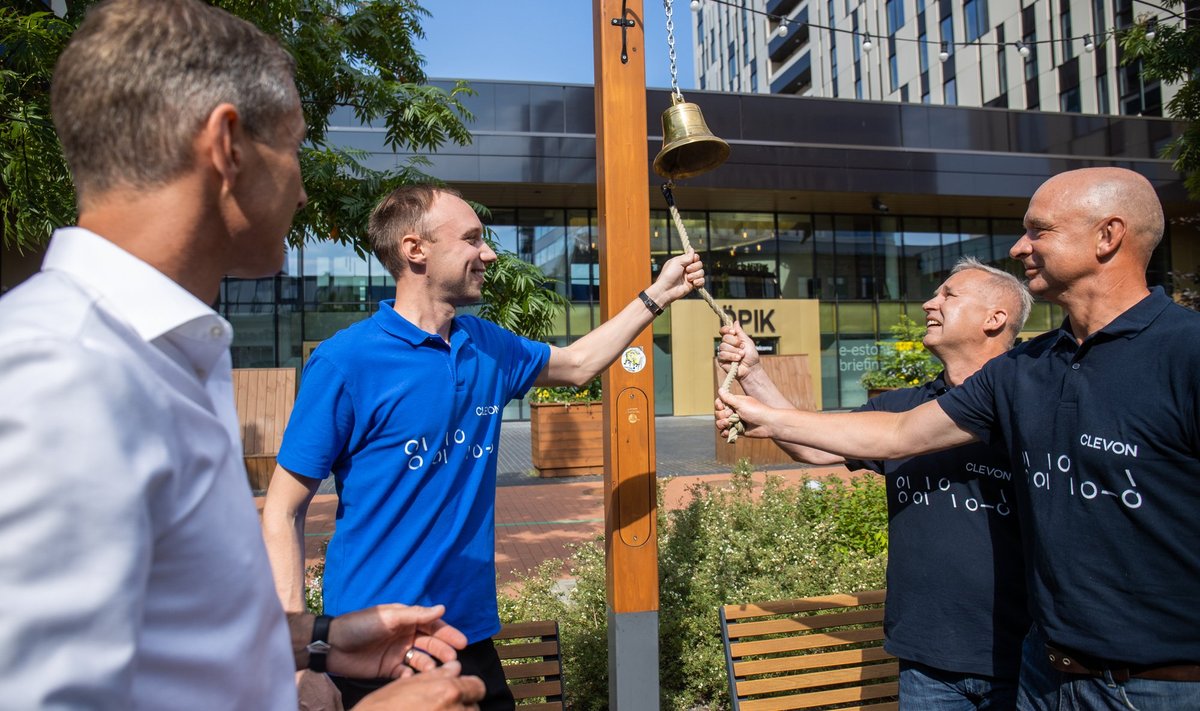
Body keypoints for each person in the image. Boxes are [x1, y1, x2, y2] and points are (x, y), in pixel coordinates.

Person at [0, 1, 484, 708]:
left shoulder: (151, 355)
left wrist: (315, 639)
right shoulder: (61, 376)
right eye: (291, 147)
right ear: (227, 143)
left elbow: (167, 636)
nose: (302, 185)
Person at [716, 167, 1200, 710]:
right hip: (1045, 675)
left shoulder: (1186, 353)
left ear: (1107, 236)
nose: (1019, 247)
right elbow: (900, 431)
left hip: (1162, 685)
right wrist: (763, 406)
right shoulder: (1024, 368)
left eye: (1039, 230)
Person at [262, 184, 704, 709]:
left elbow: (580, 363)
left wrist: (658, 294)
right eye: (472, 239)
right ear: (415, 250)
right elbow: (282, 512)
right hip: (373, 646)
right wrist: (303, 661)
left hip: (469, 637)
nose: (488, 253)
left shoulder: (487, 345)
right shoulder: (345, 362)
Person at [718, 257, 1033, 709]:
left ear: (995, 318)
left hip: (1024, 658)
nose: (930, 302)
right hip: (926, 663)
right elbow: (815, 446)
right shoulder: (902, 407)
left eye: (948, 294)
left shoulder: (1030, 399)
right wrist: (753, 374)